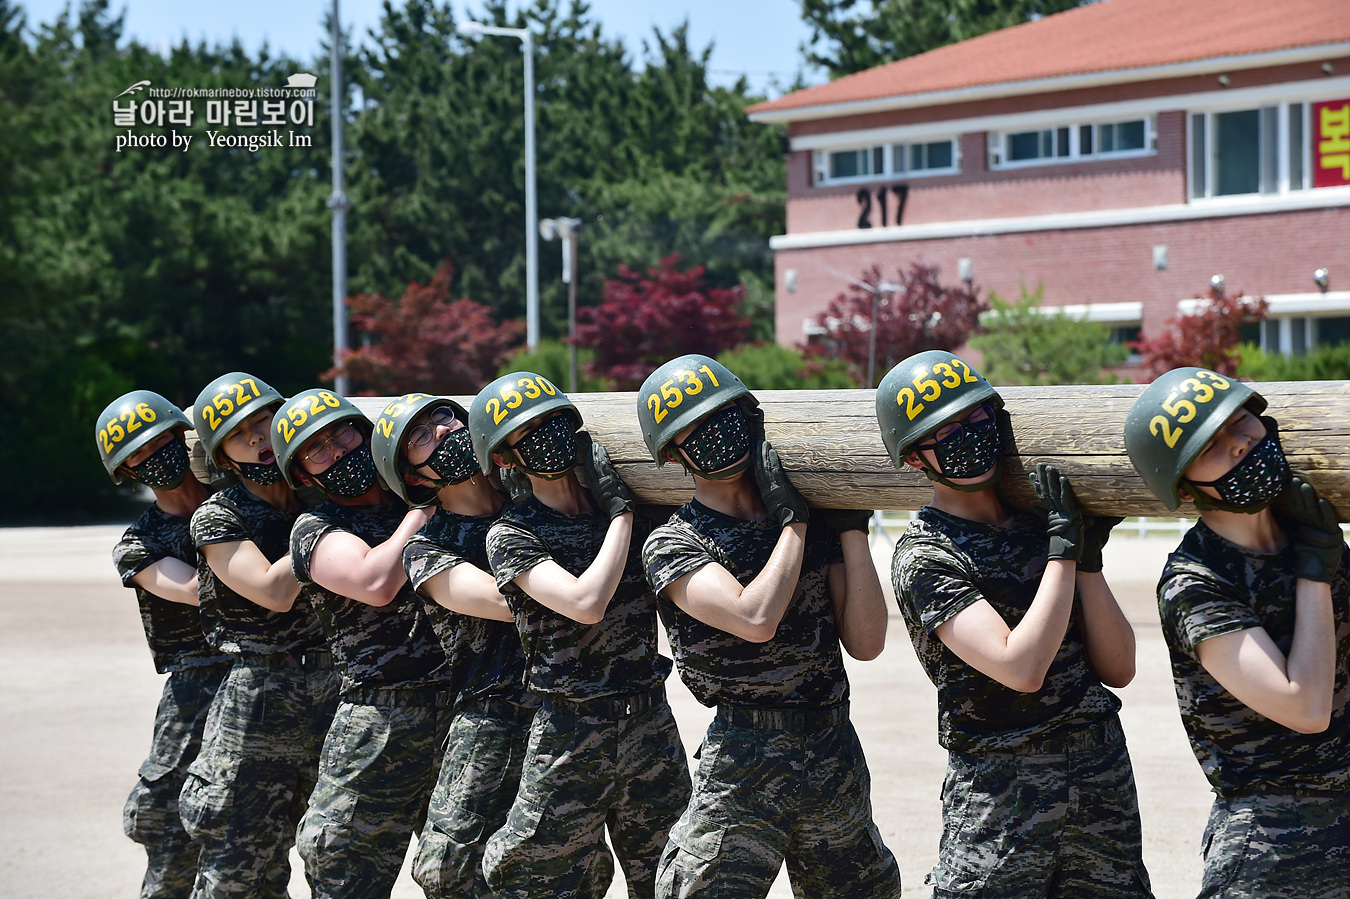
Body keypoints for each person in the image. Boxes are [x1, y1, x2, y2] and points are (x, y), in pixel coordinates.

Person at [880, 350, 1152, 898]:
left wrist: (1086, 560)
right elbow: (1020, 666)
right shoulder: (926, 556)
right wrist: (1062, 553)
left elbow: (1119, 668)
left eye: (978, 419)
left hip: (1097, 769)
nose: (968, 435)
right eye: (945, 430)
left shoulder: (1045, 529)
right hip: (1003, 785)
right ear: (914, 459)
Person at [635, 354, 902, 898]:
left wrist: (850, 529)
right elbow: (755, 617)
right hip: (745, 753)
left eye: (724, 417)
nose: (716, 436)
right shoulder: (672, 543)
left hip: (832, 744)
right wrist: (795, 524)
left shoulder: (806, 524)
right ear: (671, 452)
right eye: (694, 430)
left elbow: (868, 642)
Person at [1123, 367, 1349, 898]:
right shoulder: (1195, 581)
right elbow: (1305, 706)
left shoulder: (1308, 534)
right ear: (1181, 482)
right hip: (1274, 846)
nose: (1240, 446)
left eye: (1241, 423)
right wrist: (1314, 576)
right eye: (1210, 447)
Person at [470, 371, 691, 899]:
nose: (547, 435)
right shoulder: (512, 532)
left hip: (648, 720)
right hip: (569, 729)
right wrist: (621, 514)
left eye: (553, 422)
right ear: (505, 459)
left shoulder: (634, 509)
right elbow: (584, 603)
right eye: (528, 434)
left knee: (671, 877)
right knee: (542, 882)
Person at [274, 387, 449, 899]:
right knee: (344, 869)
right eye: (318, 450)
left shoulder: (413, 496)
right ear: (304, 474)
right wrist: (425, 506)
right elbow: (376, 583)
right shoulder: (315, 528)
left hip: (462, 707)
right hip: (379, 720)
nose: (339, 451)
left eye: (343, 434)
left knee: (464, 869)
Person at [369, 392, 536, 898]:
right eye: (420, 437)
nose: (441, 432)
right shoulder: (428, 547)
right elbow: (516, 603)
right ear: (416, 479)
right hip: (490, 717)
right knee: (448, 867)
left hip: (565, 711)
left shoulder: (538, 506)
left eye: (443, 418)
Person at [179, 372, 339, 898]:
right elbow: (273, 591)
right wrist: (325, 530)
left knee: (334, 849)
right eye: (238, 432)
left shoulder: (322, 491)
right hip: (259, 697)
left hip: (334, 685)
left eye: (264, 422)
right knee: (240, 867)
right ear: (221, 455)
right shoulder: (218, 517)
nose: (257, 437)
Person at [98, 390, 233, 899]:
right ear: (126, 470)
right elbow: (205, 592)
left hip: (278, 676)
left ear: (184, 435)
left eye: (161, 439)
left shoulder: (243, 503)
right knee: (168, 820)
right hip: (196, 687)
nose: (154, 455)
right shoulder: (140, 544)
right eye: (138, 452)